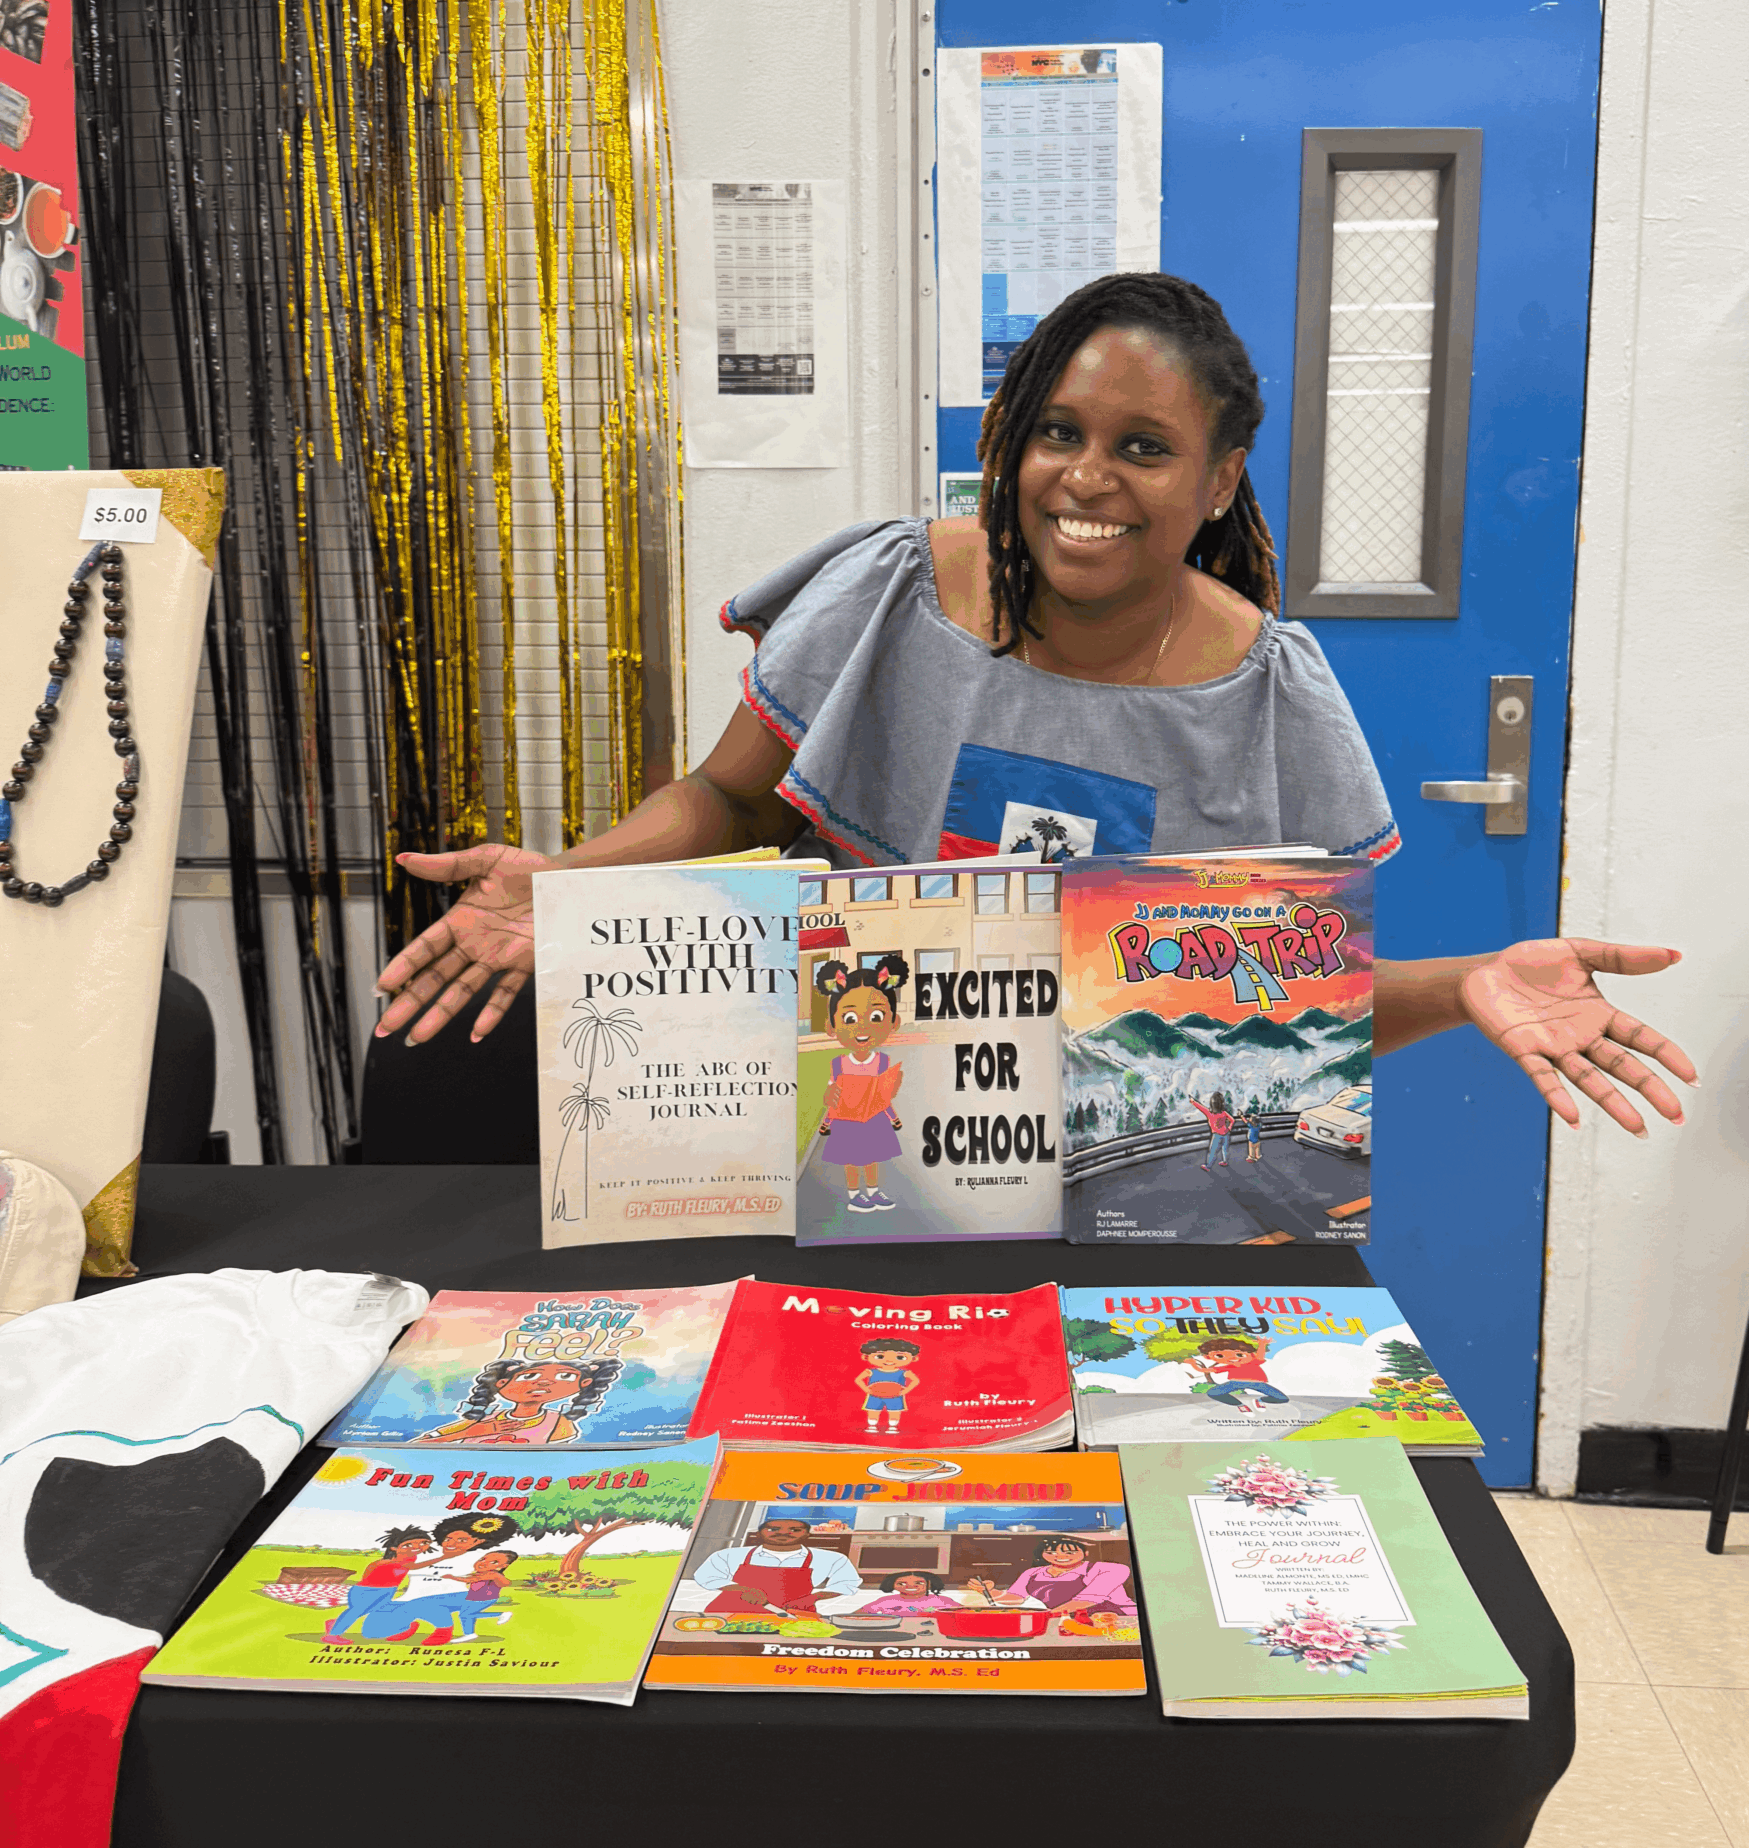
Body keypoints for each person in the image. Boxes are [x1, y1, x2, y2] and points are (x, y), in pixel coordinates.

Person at [373, 273, 1696, 1139]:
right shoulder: (895, 587)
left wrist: (1470, 982)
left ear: (1221, 477)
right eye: (1057, 432)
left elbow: (1280, 1013)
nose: (1086, 476)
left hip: (1113, 1182)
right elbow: (725, 795)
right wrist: (571, 882)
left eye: (1142, 447)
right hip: (840, 1130)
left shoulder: (1269, 694)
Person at [814, 955, 908, 1212]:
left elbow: (883, 1096)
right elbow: (833, 1099)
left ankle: (874, 1191)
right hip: (847, 1120)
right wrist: (826, 1118)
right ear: (831, 1026)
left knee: (873, 1156)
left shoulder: (883, 1062)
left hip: (875, 1118)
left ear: (893, 1023)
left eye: (876, 1016)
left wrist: (893, 1117)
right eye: (850, 1019)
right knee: (851, 1159)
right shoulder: (838, 1064)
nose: (863, 1028)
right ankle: (855, 1194)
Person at [361, 1510, 522, 1642]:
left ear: (478, 1541)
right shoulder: (422, 1555)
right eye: (448, 1539)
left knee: (427, 1604)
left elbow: (493, 1577)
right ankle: (407, 1627)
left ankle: (444, 1630)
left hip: (458, 1597)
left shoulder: (475, 1559)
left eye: (462, 1540)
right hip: (409, 1597)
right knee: (371, 1630)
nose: (451, 1544)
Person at [410, 1354, 619, 1447]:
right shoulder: (481, 1418)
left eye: (565, 1377)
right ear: (501, 1383)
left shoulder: (559, 1423)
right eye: (529, 1376)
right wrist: (471, 1432)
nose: (544, 1383)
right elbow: (418, 1445)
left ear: (584, 1384)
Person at [690, 1515, 864, 1616]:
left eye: (795, 1530)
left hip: (793, 1614)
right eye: (773, 1529)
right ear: (759, 1533)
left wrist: (813, 1598)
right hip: (729, 1612)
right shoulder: (729, 1554)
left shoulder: (832, 1558)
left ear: (807, 1535)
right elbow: (706, 1576)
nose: (783, 1533)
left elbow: (846, 1583)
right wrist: (740, 1589)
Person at [971, 1536, 1136, 1619]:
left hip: (1120, 1620)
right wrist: (990, 1592)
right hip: (1063, 1620)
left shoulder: (1109, 1569)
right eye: (1051, 1552)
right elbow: (1016, 1598)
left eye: (1069, 1552)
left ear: (1085, 1553)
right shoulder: (1033, 1573)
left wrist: (1043, 1617)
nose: (1059, 1556)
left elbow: (1086, 1601)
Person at [321, 1526, 432, 1643]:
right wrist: (443, 1557)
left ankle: (334, 1623)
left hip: (388, 1590)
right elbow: (371, 1568)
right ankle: (332, 1635)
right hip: (367, 1590)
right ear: (394, 1548)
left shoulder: (412, 1557)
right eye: (408, 1545)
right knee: (357, 1611)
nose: (417, 1547)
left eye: (423, 1543)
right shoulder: (386, 1562)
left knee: (374, 1609)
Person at [1191, 1336, 1290, 1413]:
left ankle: (1260, 1400)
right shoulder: (1230, 1366)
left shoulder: (1253, 1362)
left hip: (1257, 1383)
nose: (1232, 1358)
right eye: (1220, 1356)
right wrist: (1192, 1363)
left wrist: (1262, 1344)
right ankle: (1240, 1405)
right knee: (1213, 1393)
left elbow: (1260, 1355)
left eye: (1239, 1355)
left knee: (1282, 1398)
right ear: (1208, 1357)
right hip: (1235, 1383)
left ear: (1251, 1354)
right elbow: (1205, 1370)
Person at [854, 1335, 922, 1433]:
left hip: (895, 1395)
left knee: (894, 1412)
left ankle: (893, 1427)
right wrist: (867, 1390)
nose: (889, 1360)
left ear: (914, 1358)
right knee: (873, 1411)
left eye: (899, 1357)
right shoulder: (870, 1371)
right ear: (865, 1357)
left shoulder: (903, 1372)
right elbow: (858, 1380)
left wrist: (905, 1390)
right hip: (874, 1395)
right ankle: (872, 1426)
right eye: (880, 1356)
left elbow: (915, 1380)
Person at [857, 1569, 962, 1615]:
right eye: (902, 1584)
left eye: (919, 1583)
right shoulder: (885, 1601)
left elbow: (964, 1612)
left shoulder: (942, 1601)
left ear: (929, 1584)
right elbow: (858, 1615)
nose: (910, 1586)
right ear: (892, 1584)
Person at [1189, 1092, 1234, 1171]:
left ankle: (1208, 1166)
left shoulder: (1209, 1113)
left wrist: (1193, 1101)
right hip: (1226, 1134)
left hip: (1216, 1135)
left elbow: (1200, 1107)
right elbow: (1232, 1120)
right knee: (1225, 1149)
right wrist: (1229, 1128)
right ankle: (1225, 1161)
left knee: (1212, 1151)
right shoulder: (1224, 1113)